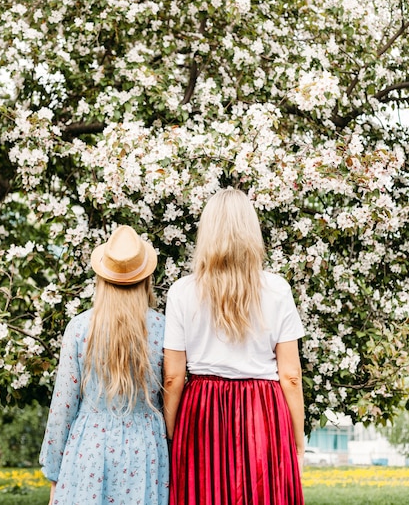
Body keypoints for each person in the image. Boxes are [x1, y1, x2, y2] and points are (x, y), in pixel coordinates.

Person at [163, 188, 305, 505]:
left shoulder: (181, 292)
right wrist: (297, 440)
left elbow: (173, 377)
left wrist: (171, 434)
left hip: (201, 410)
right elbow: (291, 376)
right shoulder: (277, 289)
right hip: (263, 410)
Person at [40, 225, 169, 505]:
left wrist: (54, 473)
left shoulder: (80, 327)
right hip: (145, 448)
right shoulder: (162, 328)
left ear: (101, 278)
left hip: (89, 447)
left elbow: (63, 406)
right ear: (146, 279)